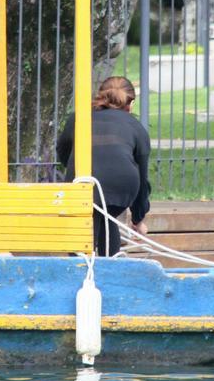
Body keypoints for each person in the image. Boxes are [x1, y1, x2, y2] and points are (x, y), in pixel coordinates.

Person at [57, 76, 151, 257]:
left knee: (87, 220)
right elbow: (142, 177)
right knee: (108, 216)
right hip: (122, 187)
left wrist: (75, 168)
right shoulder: (136, 127)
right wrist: (138, 218)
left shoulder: (79, 118)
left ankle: (81, 270)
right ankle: (110, 267)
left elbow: (62, 150)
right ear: (130, 104)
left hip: (83, 182)